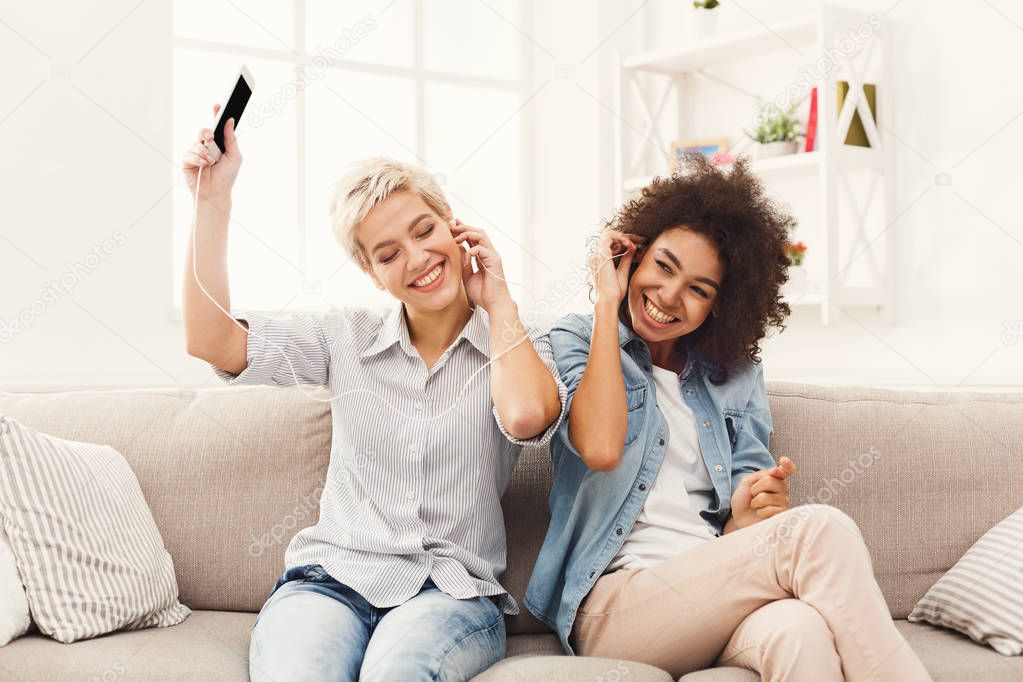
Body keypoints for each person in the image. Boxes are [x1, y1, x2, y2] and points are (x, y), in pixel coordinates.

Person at [181, 104, 566, 681]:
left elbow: (529, 416)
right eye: (388, 254)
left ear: (452, 224)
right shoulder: (345, 337)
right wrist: (212, 203)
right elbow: (212, 339)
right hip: (330, 583)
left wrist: (501, 302)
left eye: (424, 231)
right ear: (370, 272)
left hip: (450, 593)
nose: (417, 259)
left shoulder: (515, 345)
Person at [525, 153, 932, 681]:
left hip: (713, 588)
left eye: (699, 289)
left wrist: (749, 511)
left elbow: (743, 527)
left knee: (799, 631)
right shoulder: (578, 338)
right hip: (618, 604)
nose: (670, 296)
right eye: (663, 267)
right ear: (635, 255)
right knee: (817, 530)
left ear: (720, 305)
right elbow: (600, 447)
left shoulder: (735, 374)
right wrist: (607, 301)